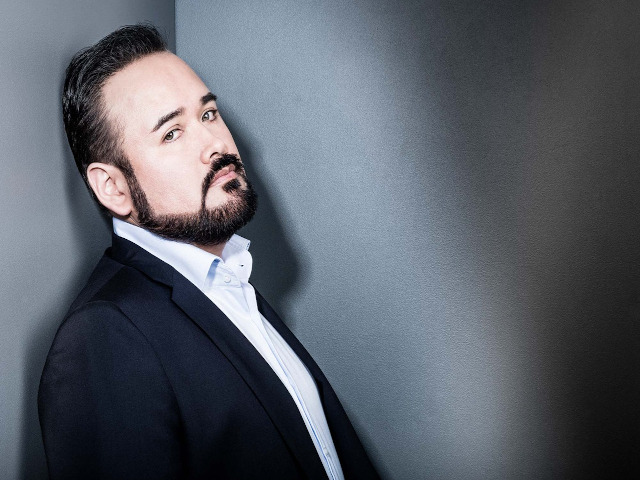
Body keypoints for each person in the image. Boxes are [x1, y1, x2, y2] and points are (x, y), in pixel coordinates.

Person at [38, 24, 379, 480]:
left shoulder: (226, 278)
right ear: (114, 188)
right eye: (172, 133)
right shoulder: (103, 338)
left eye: (209, 113)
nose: (215, 144)